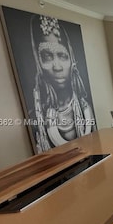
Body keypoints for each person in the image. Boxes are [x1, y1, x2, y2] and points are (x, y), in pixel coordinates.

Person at [30, 15, 95, 152]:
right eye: (47, 57)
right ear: (38, 63)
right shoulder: (36, 117)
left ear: (72, 60)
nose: (57, 67)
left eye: (63, 56)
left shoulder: (86, 108)